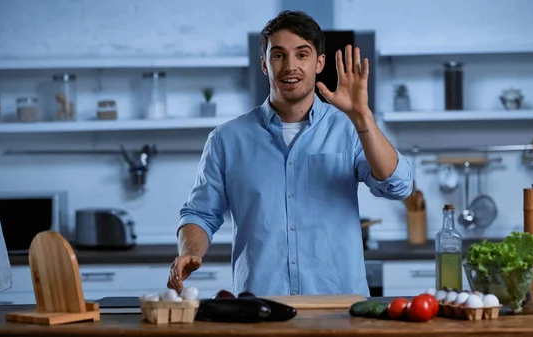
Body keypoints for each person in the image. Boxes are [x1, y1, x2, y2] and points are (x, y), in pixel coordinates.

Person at [167, 10, 413, 297]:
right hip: (260, 307)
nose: (290, 66)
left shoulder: (349, 129)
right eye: (279, 55)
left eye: (302, 54)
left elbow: (398, 185)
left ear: (319, 62)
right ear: (264, 64)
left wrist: (363, 117)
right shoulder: (226, 139)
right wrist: (190, 252)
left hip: (339, 308)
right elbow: (200, 213)